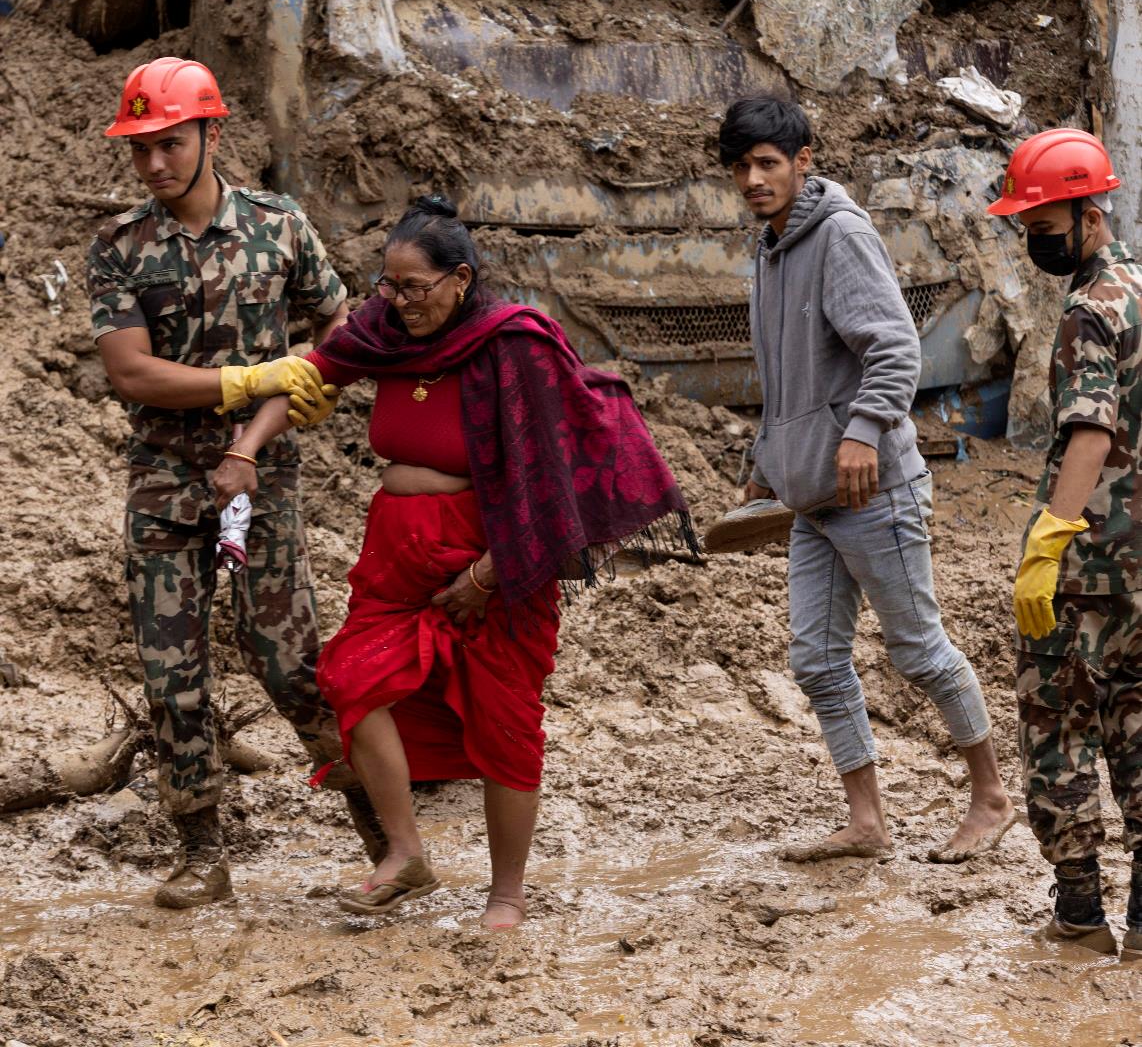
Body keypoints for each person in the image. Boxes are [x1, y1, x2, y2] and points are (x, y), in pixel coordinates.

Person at [213, 194, 695, 929]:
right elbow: (313, 372)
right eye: (387, 286)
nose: (398, 302)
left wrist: (487, 575)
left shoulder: (514, 344)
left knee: (506, 720)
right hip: (397, 553)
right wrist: (246, 447)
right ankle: (406, 854)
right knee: (351, 677)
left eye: (414, 288)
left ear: (461, 280)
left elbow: (546, 480)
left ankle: (506, 895)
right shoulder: (384, 330)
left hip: (495, 557)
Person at [87, 55, 385, 909]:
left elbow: (340, 324)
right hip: (162, 485)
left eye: (170, 144)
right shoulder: (119, 248)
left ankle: (382, 836)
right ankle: (202, 854)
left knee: (293, 667)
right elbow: (134, 375)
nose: (154, 165)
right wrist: (254, 380)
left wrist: (316, 384)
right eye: (140, 149)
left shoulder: (280, 226)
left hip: (264, 487)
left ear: (209, 133)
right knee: (171, 678)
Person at [720, 92, 1014, 863]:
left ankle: (991, 797)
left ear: (804, 161)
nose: (753, 178)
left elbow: (894, 348)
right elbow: (785, 380)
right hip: (814, 498)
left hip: (872, 488)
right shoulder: (771, 246)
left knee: (916, 649)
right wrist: (762, 467)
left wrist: (861, 434)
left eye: (768, 163)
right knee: (816, 660)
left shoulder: (839, 235)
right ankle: (868, 823)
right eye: (741, 167)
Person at [989, 128, 1142, 957]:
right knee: (1141, 721)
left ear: (1089, 213)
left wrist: (1049, 543)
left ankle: (1080, 918)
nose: (1032, 238)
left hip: (1088, 566)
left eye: (1042, 222)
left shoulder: (1090, 312)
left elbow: (1088, 433)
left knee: (1058, 728)